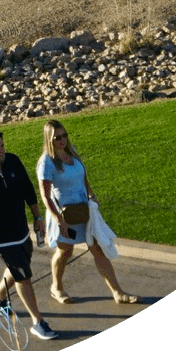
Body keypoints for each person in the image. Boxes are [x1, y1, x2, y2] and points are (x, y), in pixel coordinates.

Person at [0, 129, 59, 342]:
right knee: (23, 276)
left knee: (20, 266)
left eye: (2, 146)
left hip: (20, 230)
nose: (1, 151)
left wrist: (38, 219)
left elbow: (28, 190)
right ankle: (38, 322)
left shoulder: (13, 161)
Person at [37, 120, 138, 306]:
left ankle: (118, 292)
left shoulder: (71, 153)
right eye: (57, 137)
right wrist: (59, 220)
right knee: (65, 251)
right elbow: (45, 196)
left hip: (84, 210)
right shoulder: (47, 163)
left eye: (64, 135)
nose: (62, 140)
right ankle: (56, 288)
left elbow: (82, 176)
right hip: (65, 215)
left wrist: (91, 193)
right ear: (49, 139)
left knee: (97, 248)